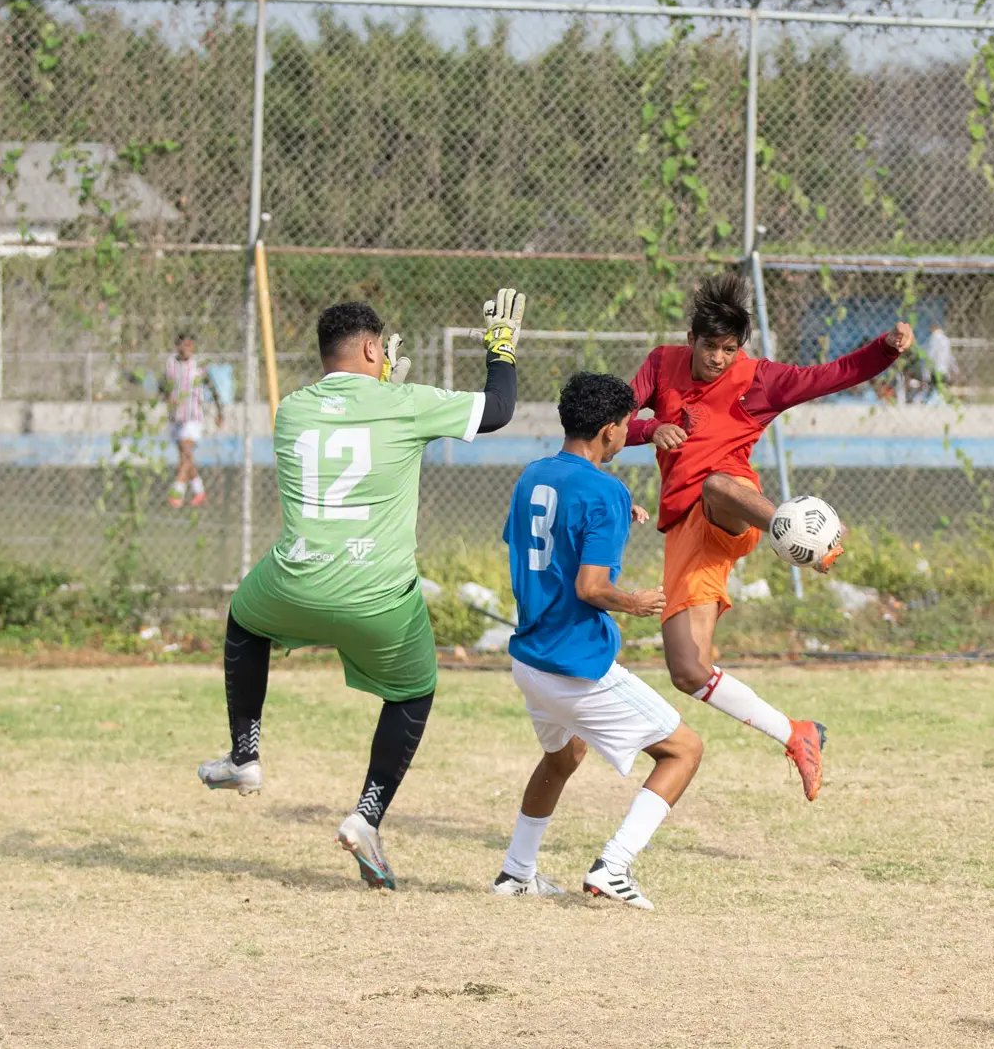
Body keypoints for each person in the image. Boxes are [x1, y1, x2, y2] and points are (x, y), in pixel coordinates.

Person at [196, 290, 524, 889]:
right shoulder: (404, 404)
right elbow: (499, 409)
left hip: (294, 581)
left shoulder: (292, 409)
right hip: (377, 597)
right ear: (374, 347)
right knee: (414, 693)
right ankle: (366, 816)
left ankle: (245, 756)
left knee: (244, 620)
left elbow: (361, 425)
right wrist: (499, 349)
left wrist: (389, 384)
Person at [627, 272, 914, 801]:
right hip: (683, 529)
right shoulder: (660, 363)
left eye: (729, 349)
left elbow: (831, 375)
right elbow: (610, 420)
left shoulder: (757, 379)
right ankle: (796, 733)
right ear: (690, 340)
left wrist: (885, 350)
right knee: (688, 671)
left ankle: (800, 533)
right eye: (710, 347)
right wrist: (648, 429)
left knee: (716, 483)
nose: (718, 358)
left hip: (732, 505)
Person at [493, 372, 702, 911]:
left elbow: (543, 537)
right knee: (683, 750)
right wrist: (632, 601)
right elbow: (590, 587)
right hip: (574, 664)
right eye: (627, 427)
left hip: (531, 659)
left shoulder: (533, 475)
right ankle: (614, 866)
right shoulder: (606, 490)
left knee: (564, 757)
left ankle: (517, 872)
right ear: (610, 431)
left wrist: (612, 516)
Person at [162, 332, 224, 508]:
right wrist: (167, 397)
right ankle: (199, 491)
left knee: (186, 454)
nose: (188, 348)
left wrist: (220, 412)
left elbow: (212, 388)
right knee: (185, 457)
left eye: (191, 345)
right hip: (176, 416)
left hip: (192, 417)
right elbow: (164, 385)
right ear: (178, 346)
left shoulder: (198, 367)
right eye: (184, 345)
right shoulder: (170, 364)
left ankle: (177, 492)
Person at [924, 320, 955, 401]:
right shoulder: (946, 339)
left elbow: (931, 355)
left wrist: (927, 370)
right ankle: (940, 400)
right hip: (944, 368)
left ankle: (932, 402)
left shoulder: (934, 339)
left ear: (932, 329)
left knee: (935, 386)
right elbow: (950, 356)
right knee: (941, 385)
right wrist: (954, 368)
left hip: (935, 368)